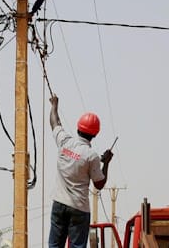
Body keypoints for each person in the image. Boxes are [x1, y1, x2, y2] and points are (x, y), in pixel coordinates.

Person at [48, 94, 113, 248]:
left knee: (54, 246)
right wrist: (106, 164)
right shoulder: (92, 157)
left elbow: (54, 122)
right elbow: (99, 184)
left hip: (59, 203)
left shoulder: (64, 141)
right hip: (79, 208)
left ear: (78, 128)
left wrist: (54, 106)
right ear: (94, 135)